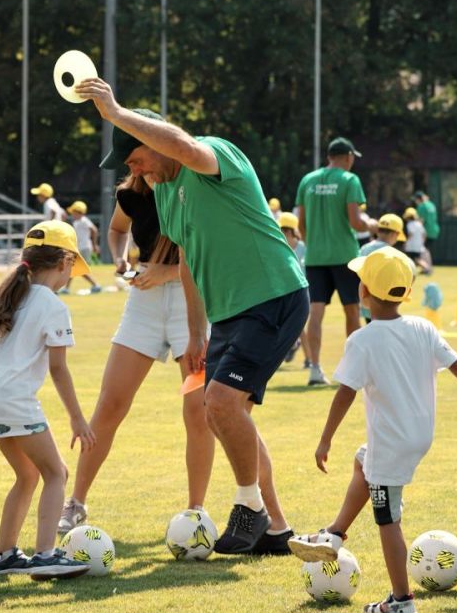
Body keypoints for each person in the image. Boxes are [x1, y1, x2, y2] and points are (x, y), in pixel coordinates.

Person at [82, 79, 308, 555]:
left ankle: (250, 508)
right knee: (225, 411)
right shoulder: (162, 194)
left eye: (137, 158)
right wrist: (195, 330)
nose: (135, 170)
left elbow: (182, 144)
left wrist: (116, 112)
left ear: (154, 139)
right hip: (227, 312)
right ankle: (276, 531)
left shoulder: (210, 154)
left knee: (222, 404)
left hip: (273, 294)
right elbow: (188, 259)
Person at [287, 247, 457, 613]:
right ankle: (335, 533)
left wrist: (325, 439)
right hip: (419, 435)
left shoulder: (363, 340)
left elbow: (344, 393)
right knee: (362, 462)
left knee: (388, 520)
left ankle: (401, 600)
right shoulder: (422, 327)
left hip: (393, 443)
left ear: (364, 293)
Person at [58, 176, 216, 541]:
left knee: (198, 410)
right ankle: (76, 502)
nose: (132, 166)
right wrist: (117, 257)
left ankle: (196, 512)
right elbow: (116, 229)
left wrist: (168, 271)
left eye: (135, 157)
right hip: (143, 300)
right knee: (110, 404)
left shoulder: (193, 186)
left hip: (190, 299)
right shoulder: (130, 192)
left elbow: (210, 250)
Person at [0, 221, 95, 578]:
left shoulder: (17, 294)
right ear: (65, 262)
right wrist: (77, 419)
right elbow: (59, 369)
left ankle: (5, 556)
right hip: (14, 399)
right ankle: (45, 555)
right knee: (56, 472)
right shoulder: (53, 305)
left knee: (27, 474)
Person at [295, 137, 369, 386]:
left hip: (315, 257)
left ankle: (315, 368)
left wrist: (313, 243)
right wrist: (374, 224)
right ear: (348, 157)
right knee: (352, 311)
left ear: (329, 157)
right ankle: (354, 370)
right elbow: (356, 222)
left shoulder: (308, 180)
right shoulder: (350, 180)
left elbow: (301, 223)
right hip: (345, 256)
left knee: (315, 312)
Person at [278, 212, 311, 368]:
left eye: (284, 231)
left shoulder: (303, 248)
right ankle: (294, 347)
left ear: (291, 231)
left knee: (301, 328)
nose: (281, 234)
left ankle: (309, 359)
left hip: (302, 292)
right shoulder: (279, 247)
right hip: (283, 292)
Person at [64, 200, 102, 295]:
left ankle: (96, 285)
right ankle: (66, 288)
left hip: (84, 248)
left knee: (78, 269)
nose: (72, 214)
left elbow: (94, 230)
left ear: (78, 212)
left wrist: (94, 244)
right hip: (79, 248)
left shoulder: (84, 221)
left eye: (73, 212)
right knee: (72, 268)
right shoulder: (77, 222)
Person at [401, 207, 428, 272]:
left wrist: (406, 242)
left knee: (413, 259)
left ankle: (426, 268)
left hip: (411, 245)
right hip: (418, 245)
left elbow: (411, 234)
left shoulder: (409, 224)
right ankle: (423, 268)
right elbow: (424, 234)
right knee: (415, 259)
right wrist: (422, 242)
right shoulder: (419, 224)